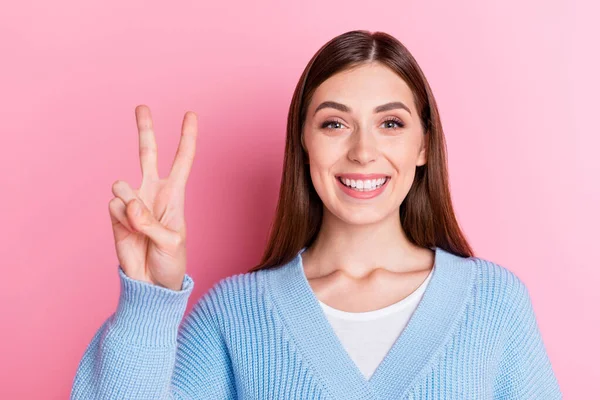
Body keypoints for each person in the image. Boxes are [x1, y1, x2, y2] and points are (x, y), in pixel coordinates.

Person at [70, 30, 561, 399]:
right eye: (334, 123)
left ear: (423, 146)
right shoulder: (233, 316)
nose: (363, 151)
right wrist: (148, 299)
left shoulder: (495, 304)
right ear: (303, 143)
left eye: (390, 123)